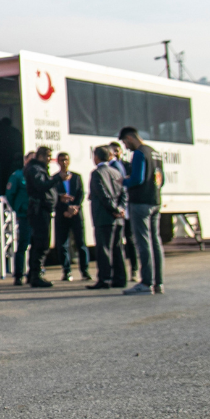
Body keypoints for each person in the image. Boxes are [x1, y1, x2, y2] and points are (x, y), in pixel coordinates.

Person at [119, 126, 165, 295]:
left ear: (130, 138)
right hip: (155, 200)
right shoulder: (155, 153)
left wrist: (123, 182)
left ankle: (146, 282)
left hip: (140, 203)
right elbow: (162, 179)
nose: (125, 146)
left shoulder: (139, 154)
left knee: (143, 242)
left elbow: (137, 178)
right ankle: (158, 282)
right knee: (156, 242)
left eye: (125, 142)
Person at [88, 145, 127, 289]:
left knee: (103, 249)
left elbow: (102, 194)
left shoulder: (97, 173)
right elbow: (124, 192)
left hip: (104, 217)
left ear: (96, 157)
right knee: (117, 249)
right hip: (117, 218)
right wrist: (120, 208)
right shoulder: (116, 172)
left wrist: (113, 209)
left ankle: (104, 279)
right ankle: (120, 278)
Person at [52, 152, 89, 282]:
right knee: (62, 244)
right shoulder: (54, 178)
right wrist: (64, 210)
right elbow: (54, 196)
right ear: (58, 162)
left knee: (81, 242)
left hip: (76, 213)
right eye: (62, 160)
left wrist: (74, 207)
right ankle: (66, 271)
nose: (64, 162)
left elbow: (80, 194)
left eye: (66, 160)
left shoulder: (76, 177)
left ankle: (85, 271)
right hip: (62, 214)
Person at [23, 146, 57, 288]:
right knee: (41, 242)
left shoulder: (37, 168)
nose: (49, 159)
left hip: (41, 209)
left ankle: (33, 274)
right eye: (48, 156)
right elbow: (41, 186)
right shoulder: (35, 169)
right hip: (39, 210)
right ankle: (36, 275)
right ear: (41, 156)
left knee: (38, 242)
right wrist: (57, 178)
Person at [109, 141, 140, 281]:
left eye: (117, 150)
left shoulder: (127, 165)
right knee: (116, 241)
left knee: (130, 239)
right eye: (113, 151)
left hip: (127, 207)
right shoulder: (110, 166)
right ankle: (117, 272)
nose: (116, 153)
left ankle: (134, 269)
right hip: (116, 207)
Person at [4, 152, 33, 285]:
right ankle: (19, 275)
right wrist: (19, 208)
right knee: (23, 245)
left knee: (37, 245)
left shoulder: (38, 174)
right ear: (25, 160)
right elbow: (10, 195)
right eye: (30, 160)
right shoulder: (18, 176)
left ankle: (33, 273)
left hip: (37, 215)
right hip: (25, 215)